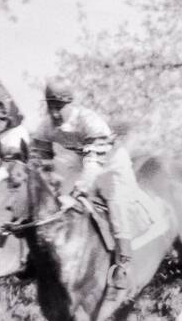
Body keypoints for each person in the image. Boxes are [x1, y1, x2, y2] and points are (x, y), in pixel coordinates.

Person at [31, 78, 142, 295]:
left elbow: (94, 163)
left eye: (59, 107)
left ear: (69, 104)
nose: (54, 113)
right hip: (81, 163)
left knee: (117, 206)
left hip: (111, 164)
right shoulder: (46, 126)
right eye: (51, 106)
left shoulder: (89, 120)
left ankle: (123, 265)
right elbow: (39, 161)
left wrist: (79, 190)